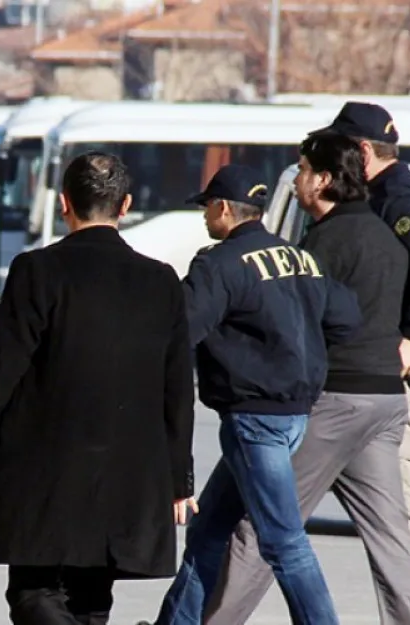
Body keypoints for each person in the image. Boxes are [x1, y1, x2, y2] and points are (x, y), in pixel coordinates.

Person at [0, 151, 197, 625]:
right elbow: (176, 391)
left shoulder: (38, 271)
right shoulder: (161, 282)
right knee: (92, 600)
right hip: (127, 473)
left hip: (44, 470)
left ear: (63, 204)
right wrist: (179, 481)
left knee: (35, 593)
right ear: (126, 204)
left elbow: (2, 365)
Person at [202, 135, 410, 625]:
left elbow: (305, 316)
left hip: (335, 401)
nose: (298, 178)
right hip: (386, 402)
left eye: (303, 169)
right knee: (391, 534)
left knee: (266, 526)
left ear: (323, 179)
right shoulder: (386, 234)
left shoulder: (324, 241)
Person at [144, 164, 362, 625]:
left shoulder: (219, 263)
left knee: (284, 542)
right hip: (294, 414)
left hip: (255, 418)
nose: (204, 217)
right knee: (209, 531)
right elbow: (346, 319)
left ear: (223, 208)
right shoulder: (302, 258)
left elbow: (176, 332)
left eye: (207, 207)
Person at [312, 101, 410, 625]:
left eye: (342, 147)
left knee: (409, 504)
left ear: (362, 151)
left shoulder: (400, 198)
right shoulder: (393, 193)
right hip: (408, 365)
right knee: (394, 509)